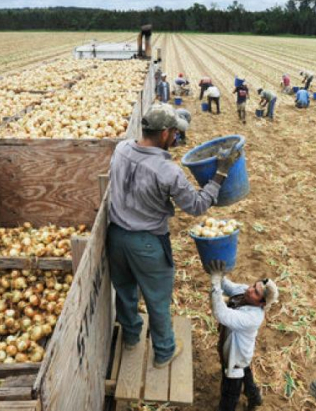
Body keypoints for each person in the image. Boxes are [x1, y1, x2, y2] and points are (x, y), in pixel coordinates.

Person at [107, 104, 241, 368]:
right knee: (157, 299)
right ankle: (165, 351)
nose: (177, 138)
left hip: (116, 237)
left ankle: (131, 337)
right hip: (146, 244)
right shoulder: (167, 171)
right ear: (166, 133)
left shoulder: (121, 149)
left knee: (124, 290)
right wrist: (221, 173)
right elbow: (197, 206)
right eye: (175, 133)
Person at [205, 260, 279, 411]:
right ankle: (255, 398)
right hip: (242, 354)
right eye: (254, 286)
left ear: (262, 304)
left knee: (229, 395)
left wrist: (215, 282)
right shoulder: (246, 292)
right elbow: (228, 286)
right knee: (246, 372)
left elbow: (221, 313)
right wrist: (220, 273)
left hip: (236, 360)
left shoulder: (253, 317)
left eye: (256, 293)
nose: (250, 290)